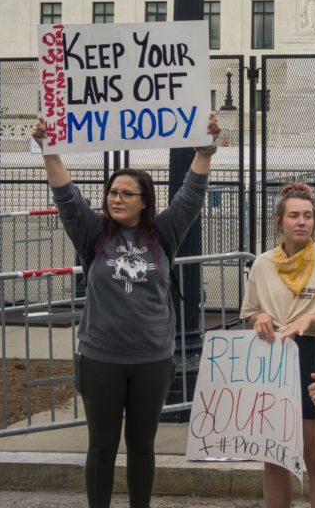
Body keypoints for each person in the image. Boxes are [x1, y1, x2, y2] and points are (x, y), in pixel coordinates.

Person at [31, 112, 220, 508]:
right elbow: (67, 196)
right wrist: (49, 148)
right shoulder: (93, 233)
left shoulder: (163, 233)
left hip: (152, 360)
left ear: (144, 201)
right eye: (112, 192)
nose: (116, 198)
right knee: (101, 446)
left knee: (141, 446)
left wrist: (204, 151)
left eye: (125, 193)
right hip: (101, 359)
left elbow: (190, 196)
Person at [242, 182, 315, 508]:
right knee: (274, 459)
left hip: (314, 359)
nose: (301, 222)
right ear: (280, 222)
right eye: (294, 216)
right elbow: (248, 311)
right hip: (272, 358)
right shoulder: (261, 264)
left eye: (307, 215)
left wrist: (312, 321)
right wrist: (258, 316)